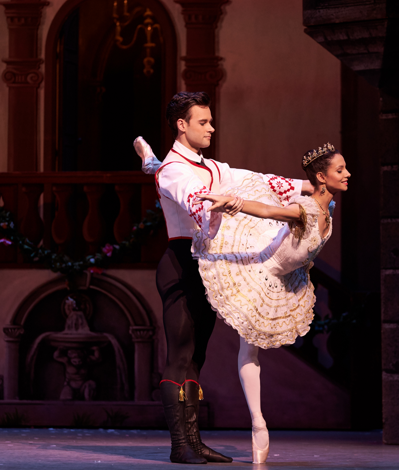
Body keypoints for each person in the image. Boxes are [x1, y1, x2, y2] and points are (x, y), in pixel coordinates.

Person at [134, 91, 314, 465]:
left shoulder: (214, 167)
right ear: (182, 126)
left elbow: (261, 180)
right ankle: (179, 445)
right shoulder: (173, 170)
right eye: (203, 122)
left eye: (211, 121)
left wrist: (309, 187)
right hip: (182, 263)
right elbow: (193, 198)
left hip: (208, 266)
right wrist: (219, 201)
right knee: (180, 355)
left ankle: (194, 443)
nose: (211, 127)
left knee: (197, 357)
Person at [191, 143, 349, 464]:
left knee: (252, 349)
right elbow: (266, 210)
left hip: (284, 274)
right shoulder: (305, 209)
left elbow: (302, 225)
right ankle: (258, 423)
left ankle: (258, 424)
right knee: (248, 349)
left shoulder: (326, 208)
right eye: (340, 170)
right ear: (322, 177)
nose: (348, 174)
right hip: (259, 266)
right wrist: (231, 201)